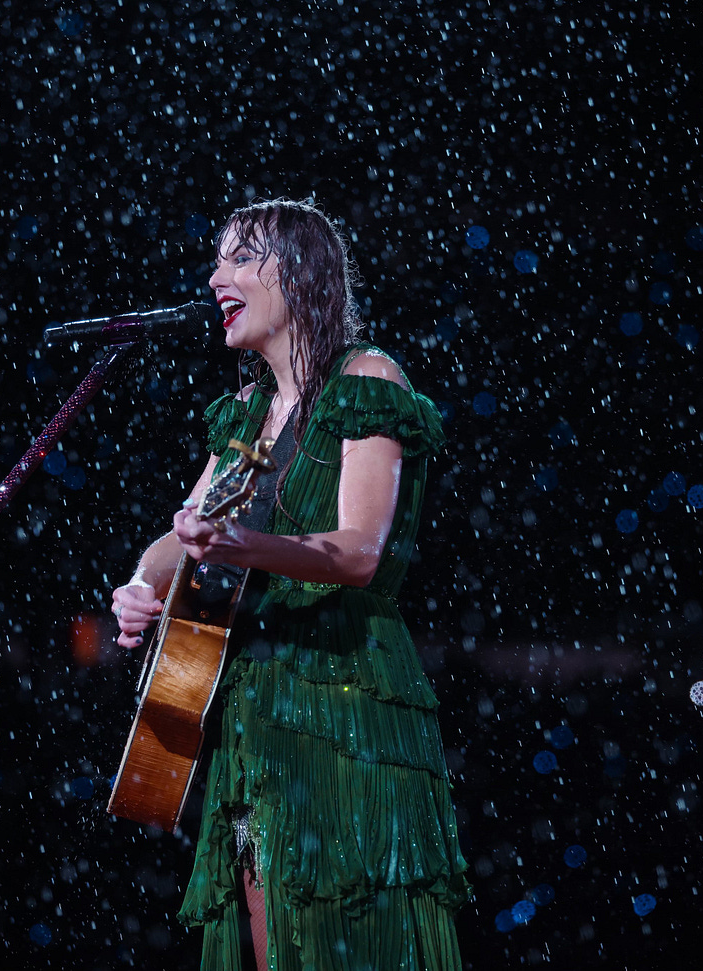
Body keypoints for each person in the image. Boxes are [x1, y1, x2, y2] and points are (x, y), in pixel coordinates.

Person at [110, 199, 468, 970]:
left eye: (241, 258)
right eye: (217, 259)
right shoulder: (244, 416)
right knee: (276, 948)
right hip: (250, 719)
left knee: (354, 938)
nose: (215, 278)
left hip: (345, 702)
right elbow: (181, 535)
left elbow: (359, 551)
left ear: (300, 272)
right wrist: (141, 582)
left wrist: (245, 542)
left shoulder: (365, 378)